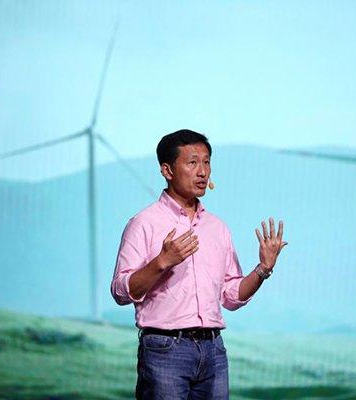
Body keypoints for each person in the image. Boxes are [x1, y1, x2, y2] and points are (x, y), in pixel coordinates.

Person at [110, 129, 287, 399]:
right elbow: (121, 292)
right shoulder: (144, 223)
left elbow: (231, 295)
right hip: (165, 348)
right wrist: (162, 262)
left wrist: (263, 269)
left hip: (213, 349)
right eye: (192, 163)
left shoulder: (217, 227)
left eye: (206, 162)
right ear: (167, 170)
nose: (202, 172)